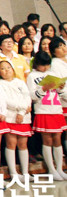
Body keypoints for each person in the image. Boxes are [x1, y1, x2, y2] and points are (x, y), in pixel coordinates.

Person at [26, 52, 67, 181]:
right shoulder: (32, 76)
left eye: (47, 65)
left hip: (56, 109)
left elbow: (61, 93)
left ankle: (59, 168)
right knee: (47, 140)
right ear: (37, 64)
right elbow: (31, 96)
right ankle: (51, 169)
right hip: (43, 110)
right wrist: (43, 88)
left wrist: (60, 88)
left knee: (58, 140)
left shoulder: (53, 74)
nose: (45, 68)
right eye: (43, 65)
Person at [0, 60, 33, 183]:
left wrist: (22, 112)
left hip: (23, 117)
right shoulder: (0, 84)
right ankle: (13, 172)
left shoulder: (20, 82)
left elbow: (27, 97)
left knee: (23, 144)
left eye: (8, 67)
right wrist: (19, 109)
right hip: (10, 116)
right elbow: (5, 101)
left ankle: (25, 172)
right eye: (3, 68)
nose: (6, 70)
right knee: (11, 144)